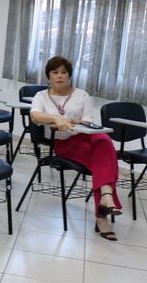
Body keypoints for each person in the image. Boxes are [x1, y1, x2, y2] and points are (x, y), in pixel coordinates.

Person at [30, 55, 122, 240]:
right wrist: (56, 118)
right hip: (64, 143)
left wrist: (71, 122)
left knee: (104, 140)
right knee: (105, 160)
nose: (60, 76)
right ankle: (103, 210)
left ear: (69, 75)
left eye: (64, 72)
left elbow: (87, 120)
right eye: (55, 72)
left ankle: (106, 199)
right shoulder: (41, 96)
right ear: (48, 76)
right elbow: (35, 116)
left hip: (84, 136)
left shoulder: (82, 95)